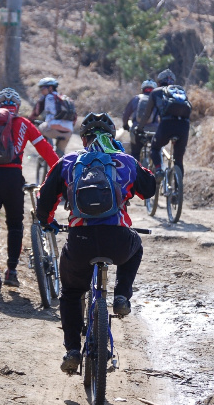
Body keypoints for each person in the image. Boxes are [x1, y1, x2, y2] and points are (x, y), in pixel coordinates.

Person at [36, 112, 156, 374]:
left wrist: (46, 222)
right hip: (117, 239)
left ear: (83, 138)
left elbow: (44, 198)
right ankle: (122, 294)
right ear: (111, 136)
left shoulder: (69, 162)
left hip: (80, 241)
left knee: (70, 292)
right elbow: (150, 189)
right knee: (136, 246)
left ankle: (71, 350)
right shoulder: (125, 161)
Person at [0, 88, 59, 291]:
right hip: (12, 177)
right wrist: (60, 171)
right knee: (15, 225)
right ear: (17, 107)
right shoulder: (23, 123)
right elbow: (45, 150)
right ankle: (11, 273)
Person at [136, 68, 191, 182]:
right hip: (184, 126)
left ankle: (159, 170)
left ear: (159, 82)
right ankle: (177, 190)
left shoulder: (156, 92)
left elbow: (147, 115)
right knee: (178, 160)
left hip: (167, 125)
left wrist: (139, 128)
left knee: (155, 148)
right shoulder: (180, 91)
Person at [28, 77, 74, 158]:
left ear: (50, 88)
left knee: (40, 128)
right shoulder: (66, 99)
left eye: (43, 88)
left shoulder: (47, 97)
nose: (41, 91)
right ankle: (60, 162)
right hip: (68, 132)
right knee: (60, 155)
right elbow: (74, 117)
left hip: (52, 129)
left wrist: (29, 122)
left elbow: (35, 113)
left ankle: (47, 149)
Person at [122, 79, 159, 161]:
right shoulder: (157, 99)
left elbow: (126, 115)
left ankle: (135, 170)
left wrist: (125, 125)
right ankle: (158, 168)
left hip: (137, 129)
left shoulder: (136, 99)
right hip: (154, 130)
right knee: (157, 150)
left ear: (142, 89)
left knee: (135, 153)